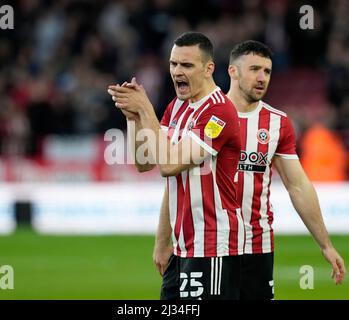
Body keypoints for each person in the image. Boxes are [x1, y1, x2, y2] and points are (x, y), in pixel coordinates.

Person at [108, 32, 244, 299]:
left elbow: (169, 165)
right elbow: (145, 162)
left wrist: (146, 108)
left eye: (187, 65)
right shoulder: (178, 107)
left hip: (213, 248)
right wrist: (134, 118)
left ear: (208, 69)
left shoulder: (219, 111)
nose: (177, 71)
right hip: (182, 248)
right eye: (173, 64)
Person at [226, 40, 346, 300]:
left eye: (267, 71)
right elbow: (180, 180)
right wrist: (164, 240)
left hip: (258, 246)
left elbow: (298, 185)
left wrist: (325, 245)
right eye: (254, 69)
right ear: (232, 72)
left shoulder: (277, 123)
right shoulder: (205, 115)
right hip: (209, 246)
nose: (262, 78)